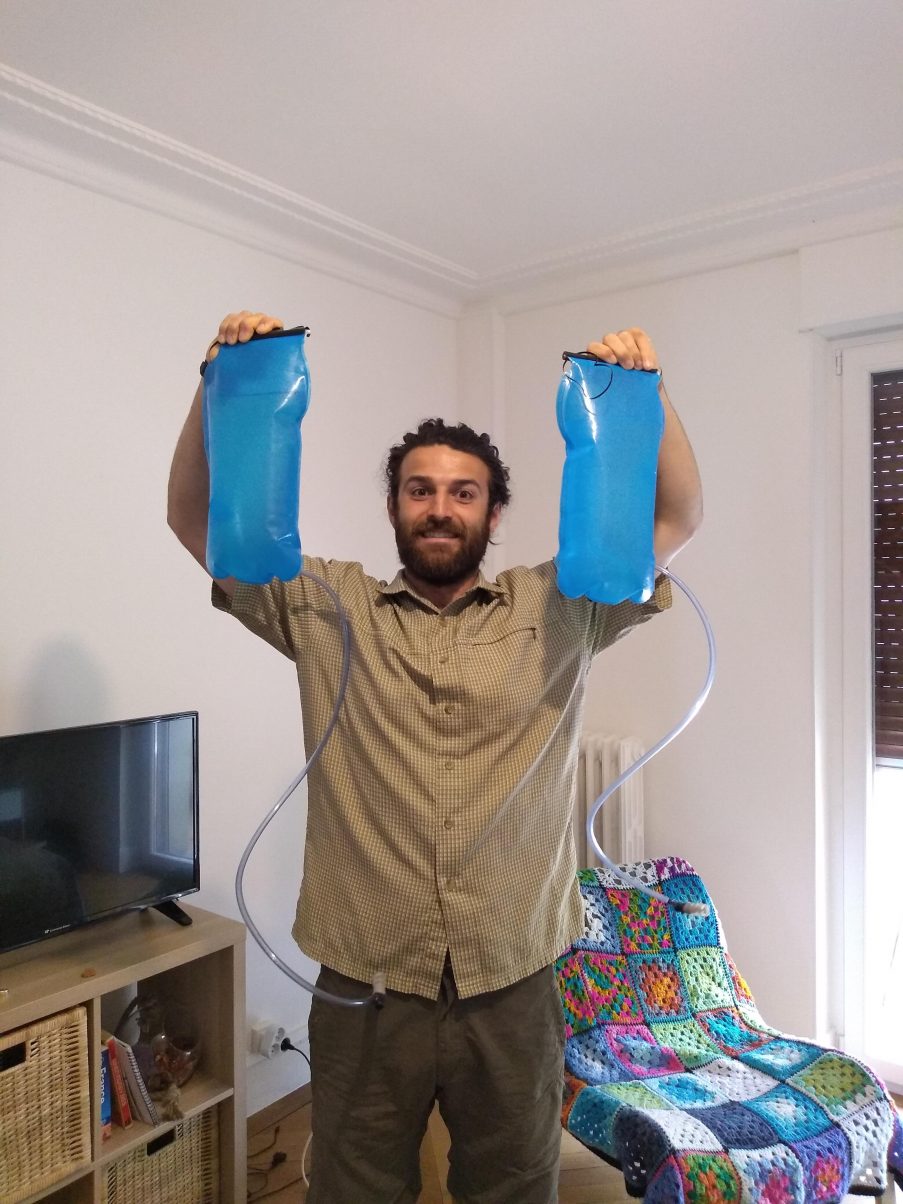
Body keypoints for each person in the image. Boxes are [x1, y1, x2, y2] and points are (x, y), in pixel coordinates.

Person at [168, 310, 703, 1204]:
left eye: (462, 492)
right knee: (353, 1187)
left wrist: (647, 393)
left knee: (510, 1185)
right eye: (420, 490)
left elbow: (677, 515)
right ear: (393, 508)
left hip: (514, 979)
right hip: (367, 981)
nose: (440, 508)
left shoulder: (564, 604)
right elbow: (195, 520)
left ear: (494, 513)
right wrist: (217, 380)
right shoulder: (323, 606)